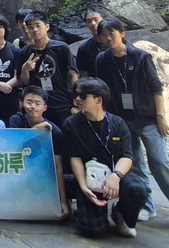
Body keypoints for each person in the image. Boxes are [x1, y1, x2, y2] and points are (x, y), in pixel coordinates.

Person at [95, 18, 169, 231]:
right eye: (104, 35)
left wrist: (161, 117)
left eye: (111, 33)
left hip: (148, 119)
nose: (108, 38)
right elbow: (103, 90)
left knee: (161, 162)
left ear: (122, 33)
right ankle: (146, 205)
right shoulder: (102, 59)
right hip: (124, 121)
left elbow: (156, 87)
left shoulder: (141, 56)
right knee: (134, 165)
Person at [63, 78, 149, 238]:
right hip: (88, 177)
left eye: (83, 96)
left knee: (138, 190)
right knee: (94, 230)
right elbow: (75, 158)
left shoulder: (118, 123)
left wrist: (116, 176)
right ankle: (81, 208)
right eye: (76, 95)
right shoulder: (71, 124)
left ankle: (121, 214)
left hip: (114, 173)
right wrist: (84, 187)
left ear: (99, 100)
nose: (77, 99)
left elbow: (127, 156)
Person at [9, 86, 71, 220]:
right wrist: (38, 128)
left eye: (37, 103)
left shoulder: (55, 131)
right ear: (22, 104)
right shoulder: (16, 120)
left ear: (45, 107)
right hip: (20, 169)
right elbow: (16, 146)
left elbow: (58, 166)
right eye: (29, 102)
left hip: (42, 174)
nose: (33, 107)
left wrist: (62, 201)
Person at [17, 11, 78, 127]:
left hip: (62, 101)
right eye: (31, 27)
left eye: (38, 25)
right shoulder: (25, 52)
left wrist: (76, 99)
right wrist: (25, 69)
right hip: (38, 105)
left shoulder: (61, 48)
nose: (35, 30)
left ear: (47, 26)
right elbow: (25, 82)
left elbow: (72, 75)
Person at [76, 9, 108, 78]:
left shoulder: (115, 42)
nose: (93, 23)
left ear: (104, 20)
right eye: (89, 21)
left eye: (96, 20)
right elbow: (84, 73)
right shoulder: (84, 48)